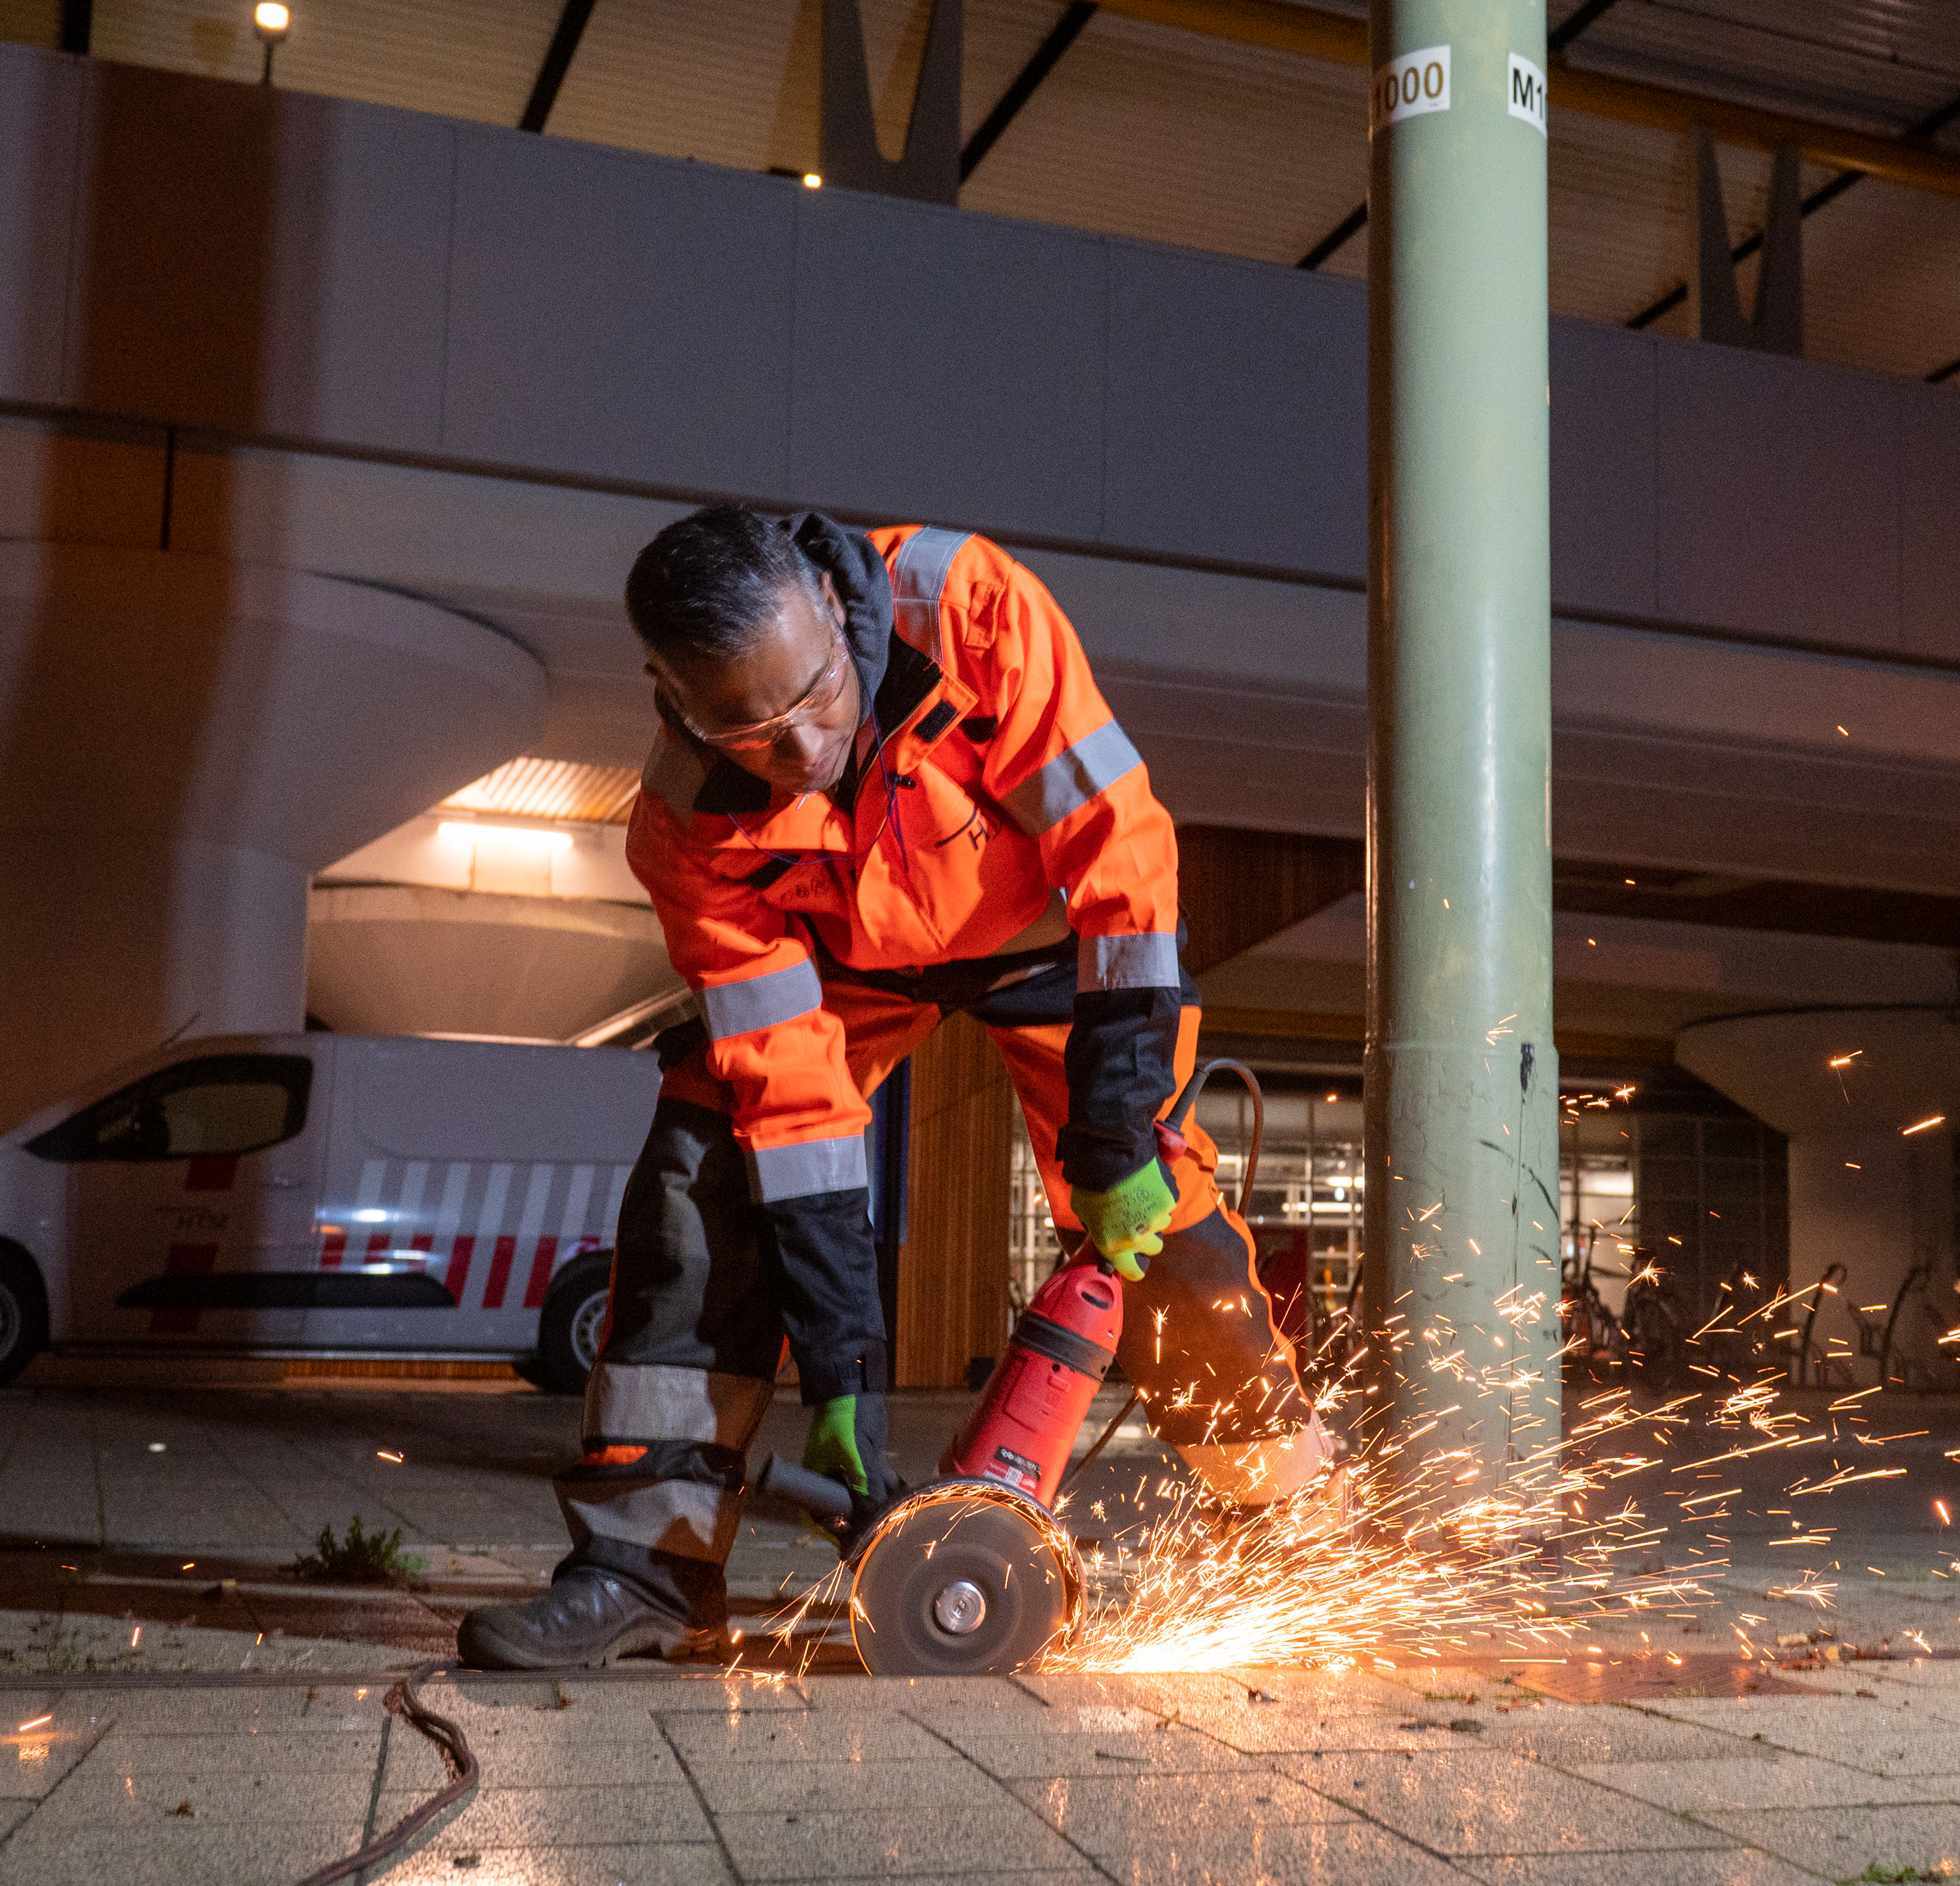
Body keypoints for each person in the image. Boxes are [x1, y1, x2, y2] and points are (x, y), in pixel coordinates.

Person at [457, 507, 1332, 1669]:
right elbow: (796, 1117)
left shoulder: (971, 609)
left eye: (817, 697)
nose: (803, 748)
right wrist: (845, 1384)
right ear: (676, 700)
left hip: (1040, 931)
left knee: (1154, 1208)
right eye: (755, 734)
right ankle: (646, 1563)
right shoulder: (686, 827)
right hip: (840, 962)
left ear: (831, 610)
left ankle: (1289, 1527)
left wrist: (1117, 1132)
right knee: (703, 1170)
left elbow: (1122, 862)